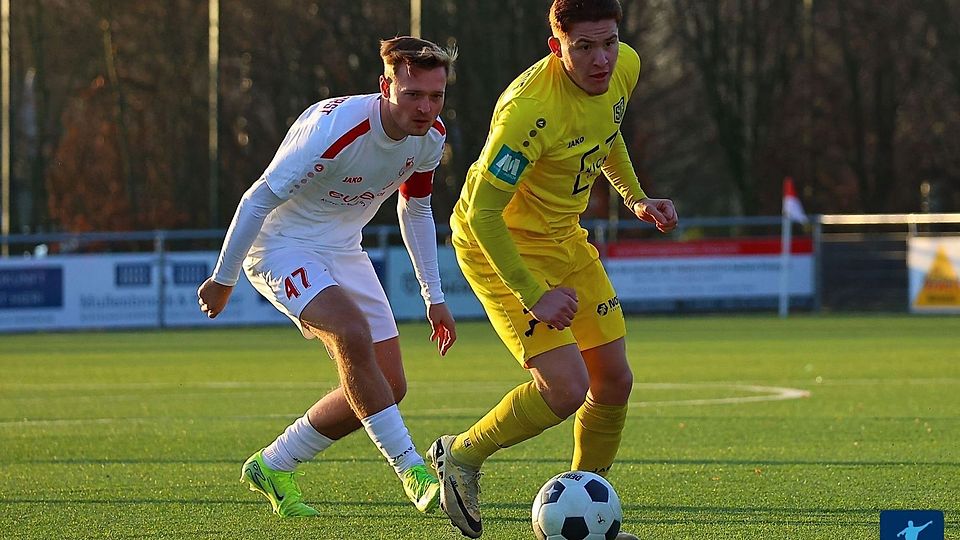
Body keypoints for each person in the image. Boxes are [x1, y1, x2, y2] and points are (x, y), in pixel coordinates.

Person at [424, 1, 677, 538]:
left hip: (565, 237)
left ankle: (591, 511)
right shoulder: (528, 112)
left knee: (613, 381)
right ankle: (461, 458)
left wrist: (635, 198)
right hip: (502, 244)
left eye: (607, 42)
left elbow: (606, 133)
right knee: (565, 387)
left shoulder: (624, 67)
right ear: (556, 46)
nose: (600, 59)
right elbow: (481, 213)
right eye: (583, 47)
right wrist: (533, 293)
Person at [196, 36, 458, 518]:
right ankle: (411, 469)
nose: (424, 107)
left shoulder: (431, 138)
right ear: (386, 86)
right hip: (279, 245)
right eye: (412, 94)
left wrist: (433, 296)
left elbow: (415, 208)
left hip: (342, 248)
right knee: (350, 331)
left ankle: (273, 465)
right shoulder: (334, 128)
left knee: (391, 383)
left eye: (435, 96)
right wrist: (224, 277)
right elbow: (257, 200)